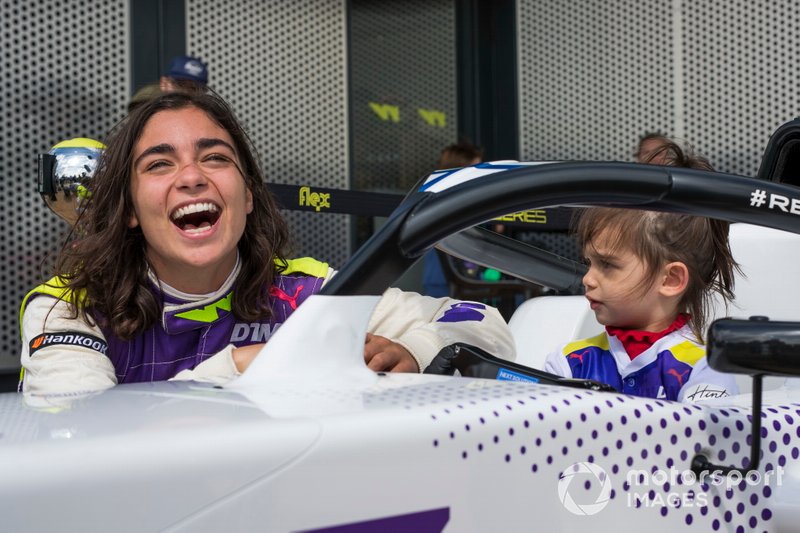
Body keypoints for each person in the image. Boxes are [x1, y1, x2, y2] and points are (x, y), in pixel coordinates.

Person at [19, 91, 515, 394]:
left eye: (214, 157)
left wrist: (416, 349)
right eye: (159, 164)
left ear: (250, 195)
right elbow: (83, 437)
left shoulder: (305, 291)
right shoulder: (69, 307)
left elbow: (485, 325)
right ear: (128, 209)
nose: (191, 176)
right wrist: (238, 367)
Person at [544, 150, 739, 403]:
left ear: (670, 280)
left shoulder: (704, 369)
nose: (588, 279)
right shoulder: (567, 362)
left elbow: (704, 440)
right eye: (588, 263)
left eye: (607, 265)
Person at [422, 141, 483, 297]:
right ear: (460, 169)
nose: (481, 174)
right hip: (445, 280)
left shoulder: (436, 192)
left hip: (464, 278)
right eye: (476, 168)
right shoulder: (441, 195)